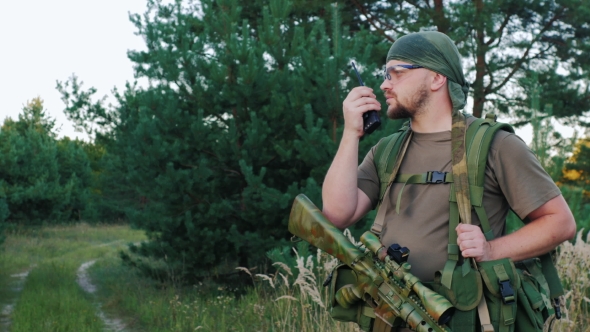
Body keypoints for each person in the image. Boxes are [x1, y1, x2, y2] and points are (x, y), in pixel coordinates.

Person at [321, 31, 576, 330]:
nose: (384, 84)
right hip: (391, 317)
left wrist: (492, 250)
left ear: (436, 78)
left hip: (466, 318)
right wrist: (351, 133)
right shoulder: (387, 150)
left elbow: (560, 222)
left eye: (396, 73)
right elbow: (337, 215)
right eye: (384, 74)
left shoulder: (494, 144)